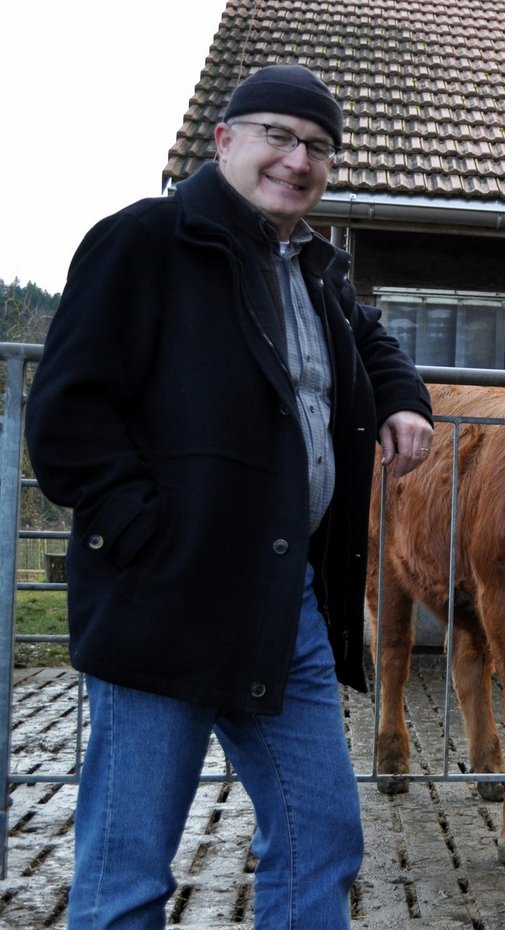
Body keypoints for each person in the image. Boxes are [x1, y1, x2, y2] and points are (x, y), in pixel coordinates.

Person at [25, 64, 435, 930]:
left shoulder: (314, 266)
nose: (298, 160)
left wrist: (404, 398)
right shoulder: (143, 241)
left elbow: (371, 337)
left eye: (318, 147)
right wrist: (146, 538)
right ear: (224, 140)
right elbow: (67, 416)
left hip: (287, 604)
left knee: (323, 836)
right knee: (129, 868)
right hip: (162, 598)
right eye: (278, 135)